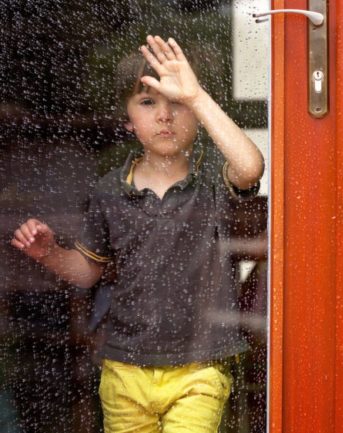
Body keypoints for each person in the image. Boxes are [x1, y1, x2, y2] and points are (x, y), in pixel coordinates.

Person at [10, 35, 265, 433]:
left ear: (196, 113)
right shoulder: (110, 190)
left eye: (177, 103)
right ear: (128, 120)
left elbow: (249, 167)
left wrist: (195, 93)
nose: (165, 115)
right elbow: (87, 272)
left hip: (199, 367)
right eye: (148, 102)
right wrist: (50, 253)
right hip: (125, 367)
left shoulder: (213, 182)